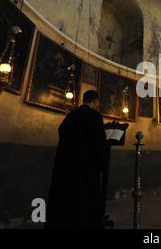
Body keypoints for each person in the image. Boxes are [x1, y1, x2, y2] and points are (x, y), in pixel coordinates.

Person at [45, 90, 108, 228]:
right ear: (96, 101)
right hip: (87, 168)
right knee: (86, 201)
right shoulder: (95, 116)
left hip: (67, 166)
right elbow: (100, 142)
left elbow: (61, 132)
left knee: (68, 200)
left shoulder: (71, 115)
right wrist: (103, 165)